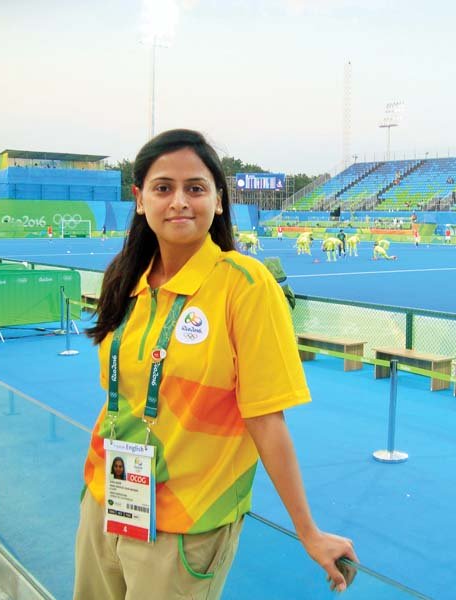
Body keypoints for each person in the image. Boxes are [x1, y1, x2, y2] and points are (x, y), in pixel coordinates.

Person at [74, 129, 357, 600]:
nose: (180, 201)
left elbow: (266, 417)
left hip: (189, 523)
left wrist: (308, 531)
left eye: (196, 188)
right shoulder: (126, 278)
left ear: (219, 202)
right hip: (107, 498)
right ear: (139, 199)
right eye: (163, 188)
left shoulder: (246, 285)